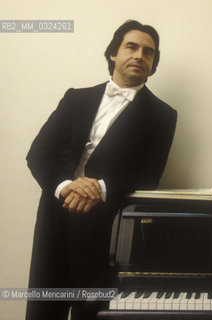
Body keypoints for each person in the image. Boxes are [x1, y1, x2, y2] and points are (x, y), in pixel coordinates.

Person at [25, 20, 177, 319]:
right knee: (43, 312)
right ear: (113, 54)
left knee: (93, 313)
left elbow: (149, 176)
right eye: (131, 47)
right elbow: (39, 154)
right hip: (55, 220)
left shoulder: (163, 115)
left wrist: (98, 189)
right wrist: (67, 185)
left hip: (106, 231)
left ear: (152, 63)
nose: (139, 55)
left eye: (149, 52)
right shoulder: (75, 98)